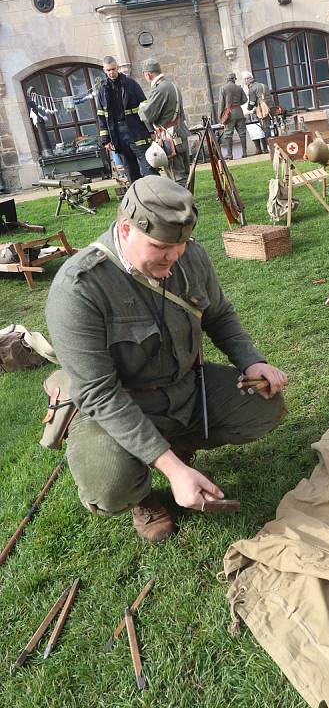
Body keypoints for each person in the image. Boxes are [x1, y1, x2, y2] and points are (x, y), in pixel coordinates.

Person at [45, 177, 287, 542]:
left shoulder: (191, 255)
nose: (174, 257)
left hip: (186, 387)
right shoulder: (79, 288)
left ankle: (177, 445)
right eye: (160, 246)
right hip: (118, 404)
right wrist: (172, 471)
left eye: (181, 244)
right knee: (109, 486)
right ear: (126, 229)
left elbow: (218, 315)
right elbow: (99, 394)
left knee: (265, 409)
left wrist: (251, 362)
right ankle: (143, 496)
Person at [96, 56, 157, 184]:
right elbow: (101, 115)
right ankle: (137, 197)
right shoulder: (102, 89)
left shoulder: (131, 84)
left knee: (148, 165)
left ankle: (158, 192)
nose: (111, 72)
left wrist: (151, 129)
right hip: (118, 134)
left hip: (137, 130)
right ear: (104, 70)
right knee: (130, 169)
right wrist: (105, 140)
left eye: (113, 69)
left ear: (117, 67)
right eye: (108, 70)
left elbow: (144, 106)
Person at [138, 58, 191, 188]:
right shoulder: (172, 85)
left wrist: (141, 108)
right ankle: (187, 204)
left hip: (169, 136)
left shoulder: (160, 89)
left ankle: (183, 206)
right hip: (179, 131)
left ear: (148, 74)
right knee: (182, 173)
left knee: (175, 176)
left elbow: (148, 115)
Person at [243, 71, 276, 154]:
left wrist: (249, 108)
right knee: (275, 125)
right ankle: (277, 143)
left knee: (266, 128)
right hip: (271, 106)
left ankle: (270, 147)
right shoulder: (263, 85)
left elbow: (252, 102)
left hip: (263, 109)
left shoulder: (252, 88)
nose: (246, 81)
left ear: (250, 79)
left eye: (246, 79)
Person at [218, 73, 248, 160]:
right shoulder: (239, 88)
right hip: (239, 112)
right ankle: (245, 152)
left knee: (228, 134)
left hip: (229, 113)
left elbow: (221, 104)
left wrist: (220, 116)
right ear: (234, 79)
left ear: (227, 79)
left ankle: (230, 154)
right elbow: (245, 100)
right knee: (242, 133)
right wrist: (238, 104)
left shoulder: (223, 88)